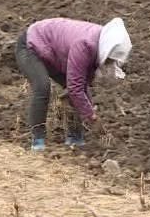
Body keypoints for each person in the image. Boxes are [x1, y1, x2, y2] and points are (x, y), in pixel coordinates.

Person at [14, 17, 132, 151]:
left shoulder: (99, 45)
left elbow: (81, 87)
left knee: (77, 93)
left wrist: (89, 110)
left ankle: (75, 138)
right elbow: (75, 88)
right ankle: (38, 140)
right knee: (42, 87)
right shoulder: (85, 45)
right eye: (109, 61)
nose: (109, 64)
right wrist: (92, 117)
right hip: (31, 45)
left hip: (53, 53)